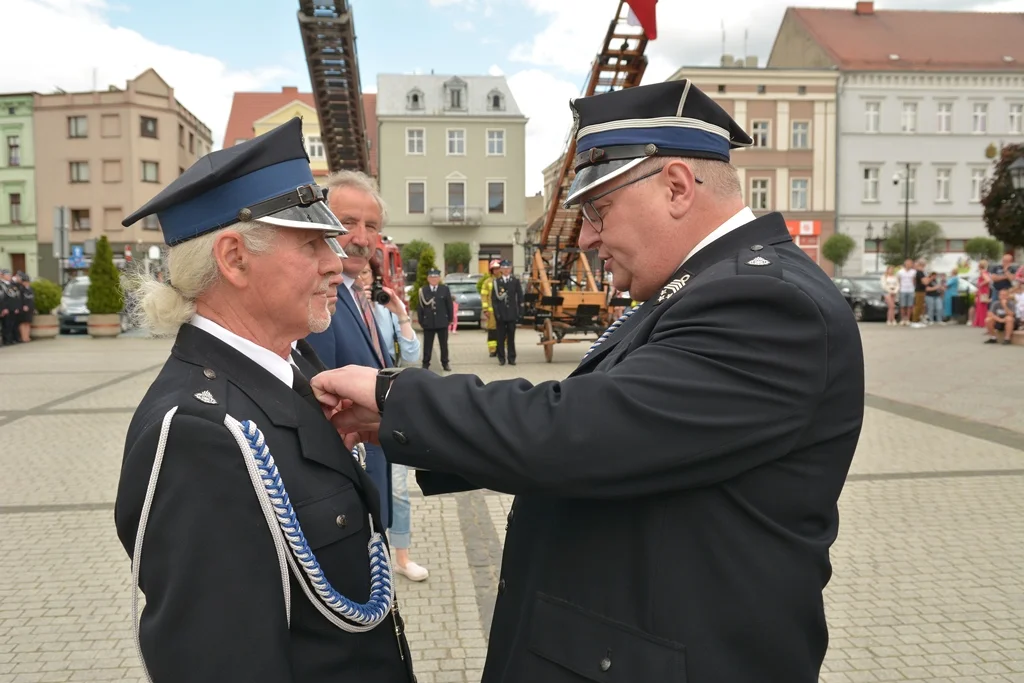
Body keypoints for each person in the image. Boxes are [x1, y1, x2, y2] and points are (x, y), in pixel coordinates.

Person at [311, 80, 865, 682]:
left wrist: (395, 397)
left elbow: (582, 429)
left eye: (597, 210)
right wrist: (395, 422)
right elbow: (600, 427)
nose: (586, 238)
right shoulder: (700, 290)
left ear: (677, 186)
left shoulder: (763, 301)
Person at [112, 118, 415, 683]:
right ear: (234, 258)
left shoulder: (293, 365)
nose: (335, 261)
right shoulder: (198, 432)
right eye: (310, 243)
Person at [305, 170, 396, 530]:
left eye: (371, 226)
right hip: (346, 490)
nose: (361, 238)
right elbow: (319, 403)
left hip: (371, 473)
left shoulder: (353, 293)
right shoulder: (320, 297)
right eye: (348, 223)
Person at [359, 259, 429, 581]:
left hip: (387, 406)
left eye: (368, 274)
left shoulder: (383, 311)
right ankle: (372, 557)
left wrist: (401, 311)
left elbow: (411, 358)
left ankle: (401, 556)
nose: (362, 278)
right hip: (355, 409)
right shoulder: (336, 309)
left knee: (399, 489)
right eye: (358, 273)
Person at [416, 268, 453, 371]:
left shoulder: (444, 289)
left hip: (442, 321)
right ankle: (425, 363)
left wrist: (450, 319)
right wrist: (421, 321)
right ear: (428, 279)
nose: (433, 279)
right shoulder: (423, 290)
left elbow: (449, 305)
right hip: (428, 322)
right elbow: (420, 307)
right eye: (431, 277)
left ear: (439, 278)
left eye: (436, 277)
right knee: (427, 345)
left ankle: (445, 363)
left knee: (444, 345)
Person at [491, 259, 523, 366]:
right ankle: (501, 358)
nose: (506, 270)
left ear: (511, 269)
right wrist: (497, 314)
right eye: (504, 268)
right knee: (500, 337)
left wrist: (520, 312)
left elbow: (520, 297)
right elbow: (494, 300)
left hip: (511, 314)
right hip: (501, 314)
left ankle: (511, 358)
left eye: (508, 268)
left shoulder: (515, 281)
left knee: (511, 337)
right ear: (500, 269)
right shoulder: (497, 282)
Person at [479, 259, 502, 357]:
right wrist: (485, 309)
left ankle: (501, 349)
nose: (496, 271)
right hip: (491, 311)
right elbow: (484, 296)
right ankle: (492, 350)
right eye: (494, 269)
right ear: (491, 270)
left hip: (503, 311)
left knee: (503, 331)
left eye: (498, 268)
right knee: (492, 331)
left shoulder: (504, 280)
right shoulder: (487, 282)